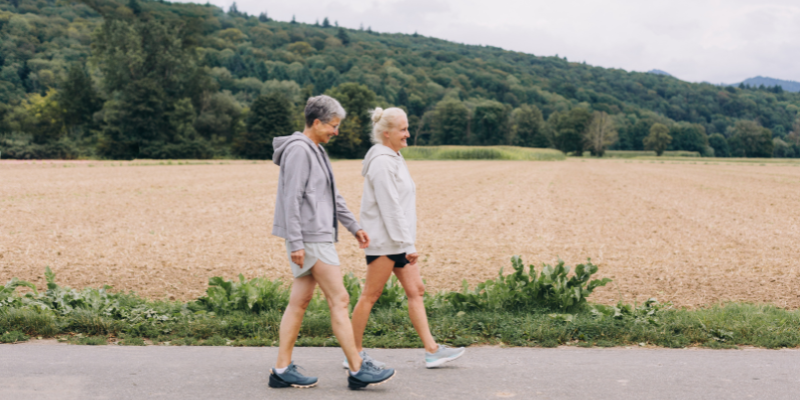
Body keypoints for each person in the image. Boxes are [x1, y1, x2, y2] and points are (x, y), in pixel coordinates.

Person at [269, 95, 396, 390]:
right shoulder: (300, 151)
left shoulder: (316, 150)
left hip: (314, 236)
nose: (336, 131)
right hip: (311, 238)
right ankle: (357, 368)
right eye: (333, 126)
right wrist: (297, 242)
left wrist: (354, 226)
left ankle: (281, 370)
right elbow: (292, 199)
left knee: (299, 302)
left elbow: (332, 196)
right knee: (339, 299)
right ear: (316, 122)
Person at [348, 107, 466, 369]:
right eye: (403, 129)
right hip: (385, 242)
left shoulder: (394, 157)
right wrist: (408, 244)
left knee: (416, 291)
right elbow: (390, 208)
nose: (408, 134)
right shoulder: (380, 162)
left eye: (406, 128)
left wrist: (406, 242)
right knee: (370, 294)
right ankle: (353, 353)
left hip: (398, 241)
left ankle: (432, 350)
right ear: (386, 133)